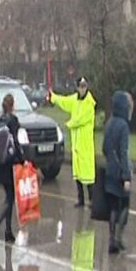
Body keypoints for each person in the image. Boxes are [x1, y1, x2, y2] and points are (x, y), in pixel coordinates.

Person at [48, 77, 96, 208]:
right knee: (78, 173)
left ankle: (92, 199)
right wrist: (53, 97)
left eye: (84, 86)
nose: (82, 88)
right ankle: (81, 199)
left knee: (88, 173)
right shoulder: (75, 100)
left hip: (85, 143)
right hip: (76, 144)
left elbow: (80, 120)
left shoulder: (89, 104)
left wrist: (67, 125)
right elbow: (64, 101)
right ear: (77, 87)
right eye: (80, 86)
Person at [0, 94, 24, 243]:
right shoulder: (13, 121)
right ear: (12, 105)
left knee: (9, 196)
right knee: (10, 199)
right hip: (10, 164)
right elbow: (16, 142)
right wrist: (23, 160)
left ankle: (8, 231)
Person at [102, 91, 134, 254]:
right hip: (120, 171)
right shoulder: (123, 126)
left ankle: (111, 239)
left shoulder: (109, 123)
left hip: (109, 170)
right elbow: (123, 152)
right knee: (125, 205)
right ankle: (118, 238)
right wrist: (126, 176)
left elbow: (104, 148)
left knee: (113, 207)